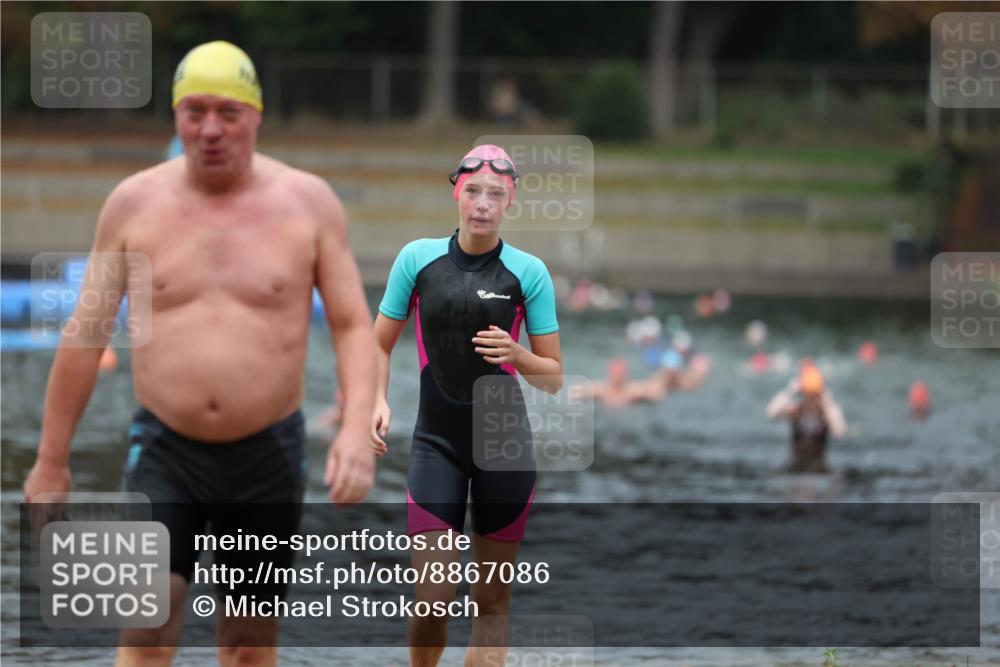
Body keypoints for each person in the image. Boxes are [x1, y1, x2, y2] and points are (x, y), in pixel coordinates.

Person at [22, 40, 378, 667]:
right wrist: (51, 462)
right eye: (194, 112)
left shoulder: (309, 203)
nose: (210, 129)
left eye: (228, 112)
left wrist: (354, 430)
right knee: (147, 628)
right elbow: (86, 334)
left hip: (267, 454)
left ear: (256, 116)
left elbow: (352, 325)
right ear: (176, 117)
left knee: (246, 647)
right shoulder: (133, 204)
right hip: (166, 449)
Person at [369, 144, 563, 667]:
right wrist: (376, 400)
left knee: (490, 602)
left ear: (510, 202)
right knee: (433, 599)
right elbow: (377, 345)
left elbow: (553, 378)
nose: (482, 203)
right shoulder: (417, 260)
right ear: (456, 193)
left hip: (505, 448)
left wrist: (518, 354)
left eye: (495, 194)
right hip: (437, 443)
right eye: (473, 190)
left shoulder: (529, 273)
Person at [766, 365, 846, 473]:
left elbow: (839, 431)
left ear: (820, 395)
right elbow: (771, 413)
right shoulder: (795, 411)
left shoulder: (826, 414)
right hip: (796, 466)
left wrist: (828, 401)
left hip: (818, 466)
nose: (811, 400)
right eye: (808, 395)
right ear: (802, 393)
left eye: (814, 396)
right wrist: (790, 391)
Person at [571, 357, 664, 407]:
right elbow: (574, 391)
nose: (617, 377)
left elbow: (657, 393)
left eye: (620, 375)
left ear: (625, 376)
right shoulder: (602, 389)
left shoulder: (632, 390)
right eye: (615, 374)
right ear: (609, 375)